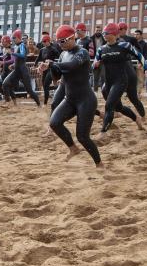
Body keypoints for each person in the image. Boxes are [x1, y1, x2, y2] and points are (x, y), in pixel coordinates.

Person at [39, 25, 102, 167]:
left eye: (62, 41)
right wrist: (49, 68)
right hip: (70, 99)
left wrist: (53, 65)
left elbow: (72, 66)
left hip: (85, 100)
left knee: (82, 136)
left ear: (72, 38)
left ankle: (99, 164)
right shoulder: (63, 54)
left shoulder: (82, 52)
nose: (60, 45)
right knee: (54, 123)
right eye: (58, 42)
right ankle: (73, 148)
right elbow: (59, 73)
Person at [93, 23, 147, 134]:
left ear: (114, 34)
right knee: (119, 107)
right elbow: (94, 63)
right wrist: (95, 64)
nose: (104, 35)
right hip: (107, 82)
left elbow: (140, 55)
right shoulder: (101, 49)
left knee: (109, 105)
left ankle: (103, 132)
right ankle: (136, 119)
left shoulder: (125, 45)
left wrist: (146, 68)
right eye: (103, 33)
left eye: (106, 33)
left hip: (121, 80)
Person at [1, 29, 41, 107]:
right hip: (17, 70)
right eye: (12, 38)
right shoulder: (17, 46)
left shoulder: (22, 45)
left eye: (14, 38)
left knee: (29, 90)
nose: (13, 40)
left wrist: (12, 53)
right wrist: (13, 64)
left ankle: (39, 104)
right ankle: (8, 102)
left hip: (23, 71)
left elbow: (23, 55)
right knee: (5, 84)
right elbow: (18, 59)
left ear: (18, 37)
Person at [117, 23, 147, 119]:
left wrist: (143, 65)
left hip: (127, 65)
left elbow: (139, 52)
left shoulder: (130, 40)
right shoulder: (111, 41)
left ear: (125, 29)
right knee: (111, 92)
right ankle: (115, 111)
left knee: (133, 97)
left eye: (120, 29)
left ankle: (142, 114)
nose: (118, 30)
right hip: (116, 69)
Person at [35, 35, 61, 105]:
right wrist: (35, 65)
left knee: (46, 84)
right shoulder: (42, 50)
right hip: (45, 69)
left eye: (44, 41)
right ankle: (46, 102)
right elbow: (38, 58)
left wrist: (52, 62)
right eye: (42, 41)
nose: (43, 43)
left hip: (52, 69)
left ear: (48, 41)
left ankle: (45, 102)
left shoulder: (53, 49)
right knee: (44, 85)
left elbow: (60, 57)